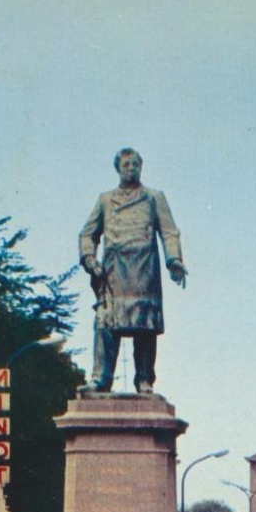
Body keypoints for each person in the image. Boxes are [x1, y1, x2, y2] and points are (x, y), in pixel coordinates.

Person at [78, 148, 187, 393]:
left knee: (145, 326)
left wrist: (174, 260)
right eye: (126, 164)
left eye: (135, 164)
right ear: (118, 168)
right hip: (114, 273)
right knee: (105, 323)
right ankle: (101, 378)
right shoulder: (105, 200)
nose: (131, 169)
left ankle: (144, 379)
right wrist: (88, 257)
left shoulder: (154, 197)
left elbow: (169, 231)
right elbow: (88, 233)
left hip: (144, 271)